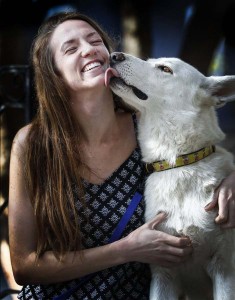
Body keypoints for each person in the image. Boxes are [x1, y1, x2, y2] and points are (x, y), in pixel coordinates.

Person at [8, 11, 235, 300]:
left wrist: (231, 178)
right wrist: (125, 250)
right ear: (54, 74)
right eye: (71, 48)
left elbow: (203, 152)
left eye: (94, 40)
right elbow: (24, 266)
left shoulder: (150, 130)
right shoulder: (32, 143)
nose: (89, 49)